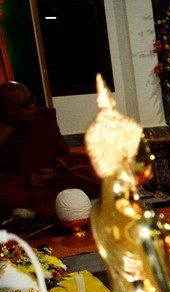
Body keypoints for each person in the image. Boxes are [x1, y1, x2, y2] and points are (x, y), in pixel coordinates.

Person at [0, 81, 100, 220]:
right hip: (20, 185)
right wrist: (22, 180)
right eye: (26, 104)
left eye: (32, 100)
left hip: (53, 179)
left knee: (89, 168)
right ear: (7, 108)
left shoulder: (45, 117)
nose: (32, 107)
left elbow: (62, 151)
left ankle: (31, 209)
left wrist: (56, 169)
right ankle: (71, 201)